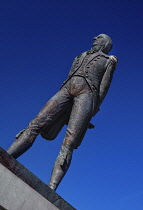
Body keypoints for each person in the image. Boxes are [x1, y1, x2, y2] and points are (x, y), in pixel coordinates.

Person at [7, 34, 118, 191]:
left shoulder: (108, 61)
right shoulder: (80, 56)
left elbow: (103, 88)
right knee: (35, 123)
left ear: (105, 42)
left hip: (87, 95)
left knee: (69, 142)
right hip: (66, 88)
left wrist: (92, 110)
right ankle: (7, 156)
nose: (94, 39)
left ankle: (51, 188)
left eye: (98, 38)